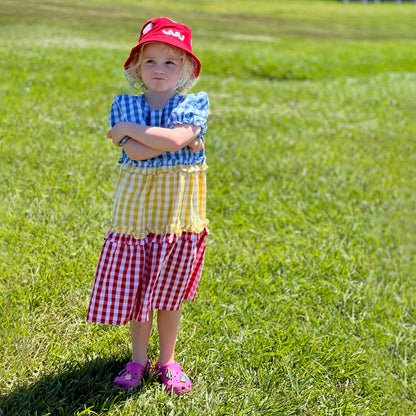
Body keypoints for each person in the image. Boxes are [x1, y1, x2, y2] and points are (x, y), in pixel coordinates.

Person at [86, 17, 209, 395]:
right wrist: (165, 140)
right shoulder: (123, 103)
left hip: (176, 219)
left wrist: (130, 130)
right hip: (137, 219)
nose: (160, 69)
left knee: (168, 296)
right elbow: (138, 154)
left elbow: (171, 139)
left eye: (170, 62)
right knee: (139, 291)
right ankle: (138, 358)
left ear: (185, 70)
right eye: (151, 61)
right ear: (137, 68)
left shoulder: (194, 104)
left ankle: (167, 359)